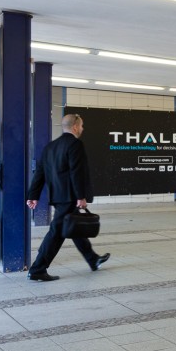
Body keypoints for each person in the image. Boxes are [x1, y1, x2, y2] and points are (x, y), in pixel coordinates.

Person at [25, 114, 110, 281]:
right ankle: (37, 269)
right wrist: (81, 196)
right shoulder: (75, 144)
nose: (83, 129)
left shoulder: (50, 147)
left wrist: (33, 195)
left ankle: (93, 259)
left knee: (73, 226)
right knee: (56, 233)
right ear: (75, 127)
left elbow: (40, 172)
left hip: (57, 196)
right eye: (82, 126)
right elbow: (76, 172)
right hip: (70, 196)